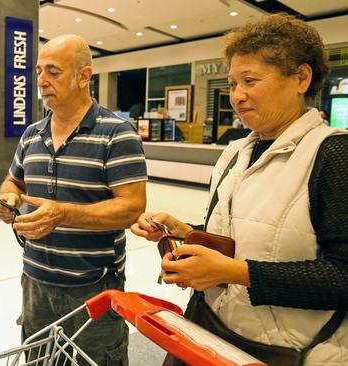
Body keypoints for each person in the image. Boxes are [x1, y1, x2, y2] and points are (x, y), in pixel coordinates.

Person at [131, 14, 348, 365]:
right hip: (211, 333)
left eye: (250, 81)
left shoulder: (334, 155)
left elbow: (342, 275)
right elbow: (241, 235)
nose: (237, 96)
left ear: (301, 78)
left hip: (287, 351)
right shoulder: (236, 152)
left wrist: (234, 273)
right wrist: (186, 232)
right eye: (232, 84)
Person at [0, 34, 147, 365]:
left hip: (93, 286)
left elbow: (131, 208)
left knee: (96, 359)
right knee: (39, 359)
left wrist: (63, 214)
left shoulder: (117, 133)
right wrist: (8, 196)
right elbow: (13, 180)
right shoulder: (32, 133)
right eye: (38, 71)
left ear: (83, 76)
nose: (42, 81)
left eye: (53, 71)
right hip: (35, 280)